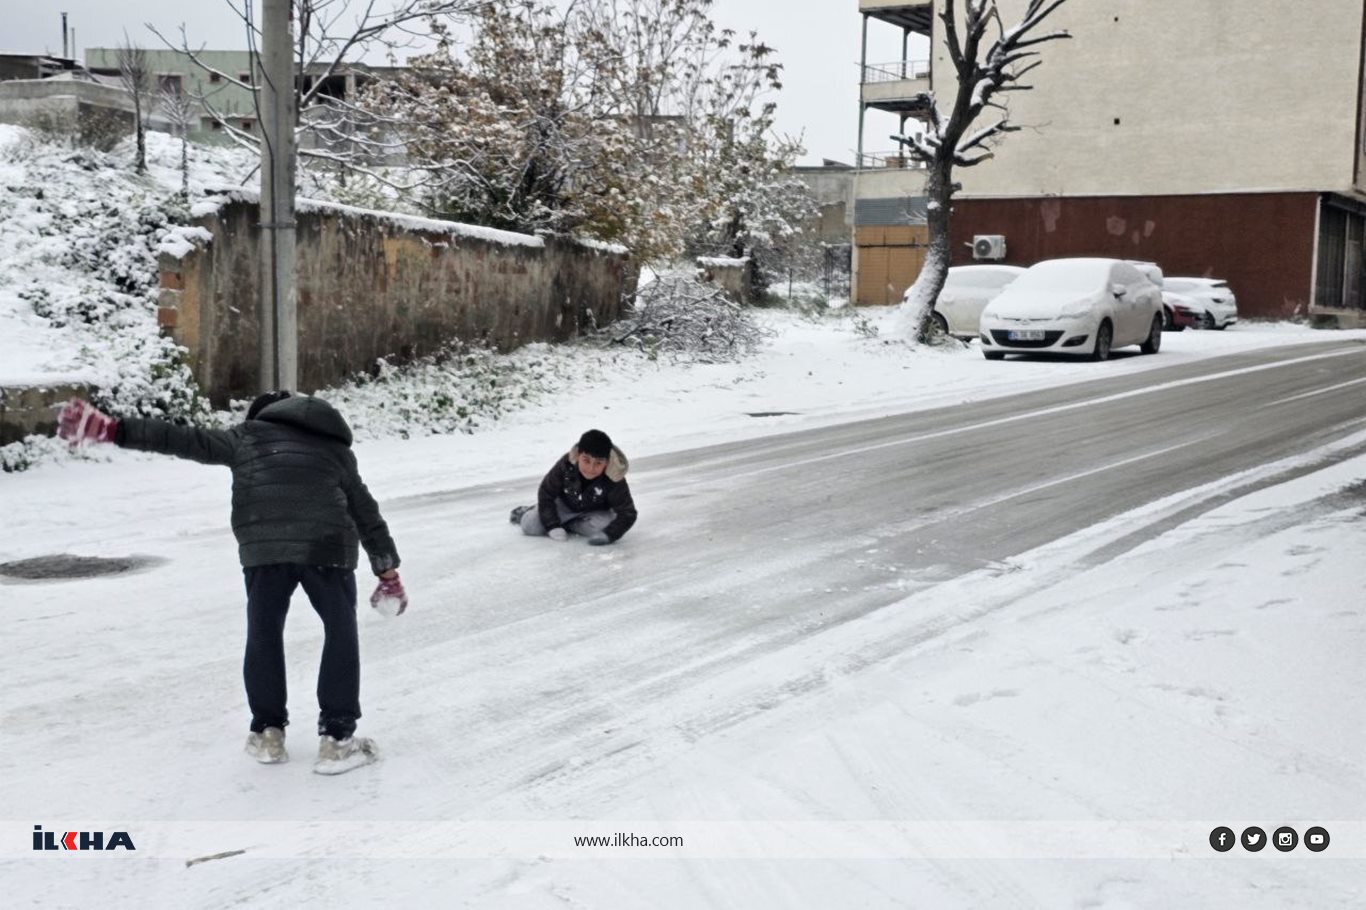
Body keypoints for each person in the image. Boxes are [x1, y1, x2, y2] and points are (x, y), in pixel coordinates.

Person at [57, 391, 406, 775]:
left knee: (264, 632)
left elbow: (183, 439)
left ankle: (267, 734)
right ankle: (337, 740)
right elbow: (365, 511)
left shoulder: (247, 437)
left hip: (264, 547)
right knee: (339, 632)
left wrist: (115, 429)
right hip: (328, 547)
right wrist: (386, 569)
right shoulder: (333, 448)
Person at [511, 429, 637, 545]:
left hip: (593, 512)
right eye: (586, 461)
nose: (591, 469)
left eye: (598, 463)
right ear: (578, 455)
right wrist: (552, 525)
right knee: (530, 526)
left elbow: (628, 513)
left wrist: (609, 535)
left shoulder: (614, 475)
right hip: (564, 505)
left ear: (607, 462)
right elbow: (546, 492)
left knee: (605, 526)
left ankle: (566, 524)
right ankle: (528, 511)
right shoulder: (566, 464)